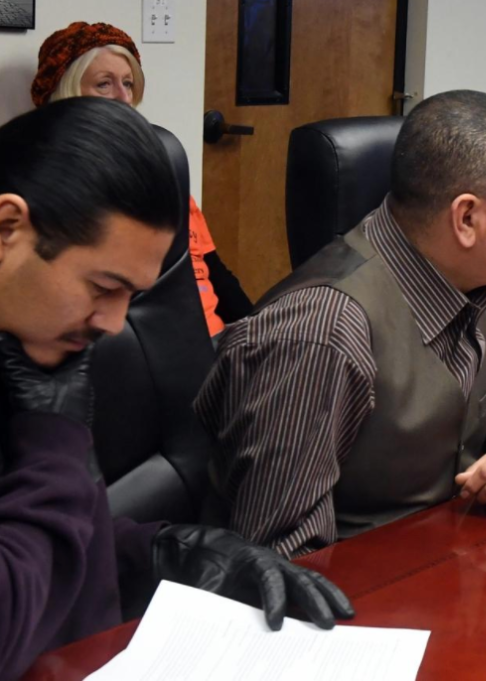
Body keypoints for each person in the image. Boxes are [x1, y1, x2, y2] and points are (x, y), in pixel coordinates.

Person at [0, 98, 353, 681]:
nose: (114, 324)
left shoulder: (37, 349)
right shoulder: (45, 389)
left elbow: (48, 541)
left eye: (131, 296)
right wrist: (52, 438)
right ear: (9, 227)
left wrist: (171, 552)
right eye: (102, 286)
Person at [195, 90, 486, 557]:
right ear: (467, 218)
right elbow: (281, 560)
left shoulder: (480, 283)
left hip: (449, 574)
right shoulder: (321, 333)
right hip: (359, 602)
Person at [31, 21, 253, 338]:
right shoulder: (48, 188)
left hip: (218, 341)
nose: (123, 98)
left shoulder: (165, 169)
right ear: (66, 95)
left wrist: (258, 328)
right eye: (104, 84)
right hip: (159, 359)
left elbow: (213, 270)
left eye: (128, 84)